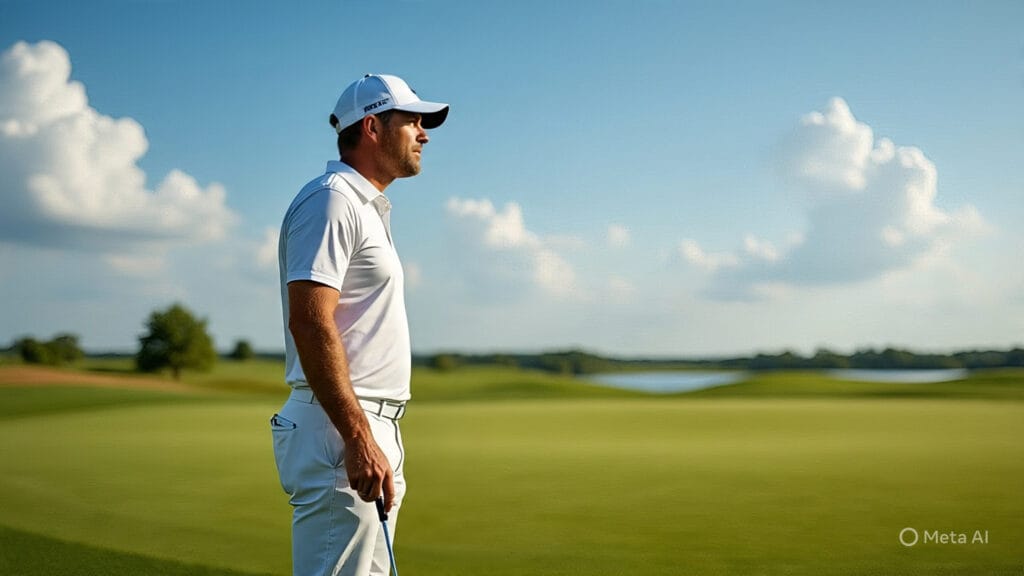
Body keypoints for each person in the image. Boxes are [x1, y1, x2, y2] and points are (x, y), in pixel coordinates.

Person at [271, 74, 449, 576]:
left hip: (365, 424)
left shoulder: (363, 206)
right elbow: (309, 321)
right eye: (412, 120)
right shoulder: (331, 201)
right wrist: (357, 437)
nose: (424, 133)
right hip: (342, 427)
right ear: (372, 126)